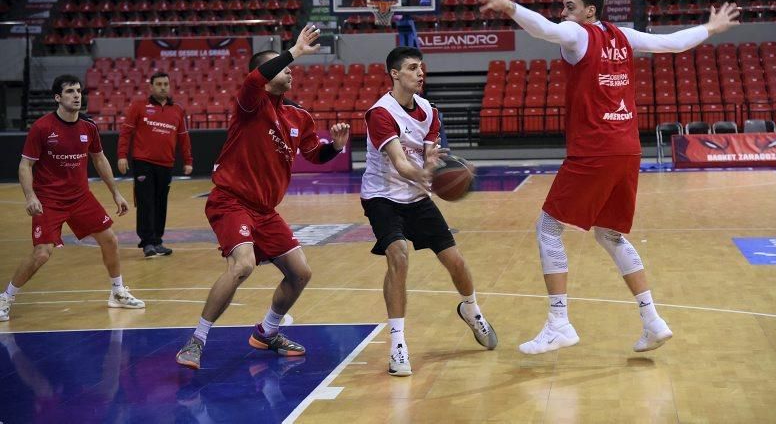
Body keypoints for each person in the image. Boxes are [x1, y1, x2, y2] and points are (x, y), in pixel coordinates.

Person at [475, 0, 740, 354]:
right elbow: (670, 44)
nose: (564, 13)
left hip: (594, 149)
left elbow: (546, 29)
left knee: (548, 229)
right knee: (609, 234)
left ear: (589, 11)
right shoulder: (624, 36)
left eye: (570, 6)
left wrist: (508, 6)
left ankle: (559, 322)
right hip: (628, 149)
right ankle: (652, 320)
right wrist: (710, 28)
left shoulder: (577, 34)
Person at [175, 25, 350, 370]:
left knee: (300, 272)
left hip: (265, 210)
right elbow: (258, 78)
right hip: (231, 200)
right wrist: (295, 49)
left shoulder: (299, 115)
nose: (289, 70)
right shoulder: (251, 103)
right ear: (266, 75)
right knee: (243, 264)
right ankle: (195, 340)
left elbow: (315, 154)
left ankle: (267, 332)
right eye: (282, 67)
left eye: (290, 66)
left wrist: (336, 148)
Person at [361, 46, 498, 377]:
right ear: (395, 74)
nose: (420, 73)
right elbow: (399, 162)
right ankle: (397, 344)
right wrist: (423, 174)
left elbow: (429, 155)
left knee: (456, 261)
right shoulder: (380, 113)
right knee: (399, 255)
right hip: (382, 196)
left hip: (416, 196)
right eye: (412, 68)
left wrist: (446, 167)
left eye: (421, 67)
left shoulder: (429, 111)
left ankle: (471, 309)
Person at [0, 74, 145, 322]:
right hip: (49, 200)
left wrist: (116, 193)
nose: (77, 95)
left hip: (80, 197)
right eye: (70, 91)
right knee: (43, 252)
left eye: (78, 90)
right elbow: (25, 165)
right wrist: (30, 195)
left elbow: (99, 159)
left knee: (109, 239)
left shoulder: (88, 127)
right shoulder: (42, 127)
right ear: (58, 97)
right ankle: (5, 298)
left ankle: (117, 292)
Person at [117, 71, 193, 258]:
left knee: (161, 203)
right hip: (143, 162)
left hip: (166, 164)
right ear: (151, 87)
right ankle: (147, 242)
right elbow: (126, 133)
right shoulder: (138, 107)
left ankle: (157, 241)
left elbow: (183, 138)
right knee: (146, 202)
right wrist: (122, 156)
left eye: (166, 84)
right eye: (159, 84)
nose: (163, 87)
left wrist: (188, 160)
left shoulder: (177, 110)